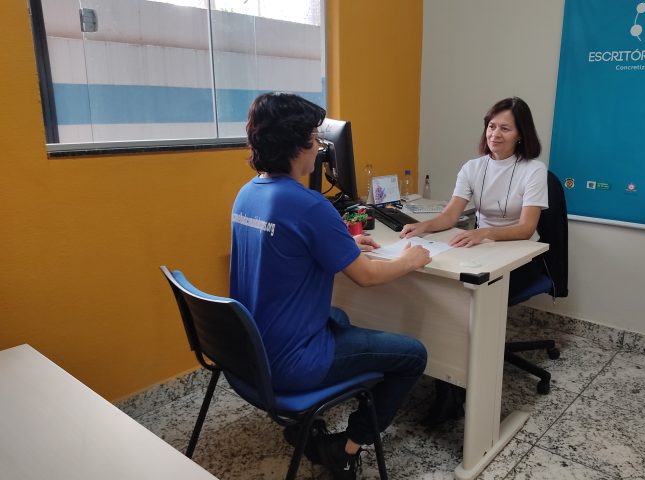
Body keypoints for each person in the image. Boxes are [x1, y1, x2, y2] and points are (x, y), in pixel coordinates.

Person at [230, 92, 431, 479]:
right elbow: (367, 277)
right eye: (313, 138)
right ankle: (346, 448)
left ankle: (310, 419)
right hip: (290, 363)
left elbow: (287, 247)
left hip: (248, 351)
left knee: (337, 315)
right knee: (413, 355)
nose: (319, 147)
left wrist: (342, 244)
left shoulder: (247, 193)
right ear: (295, 145)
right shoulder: (309, 205)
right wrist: (410, 260)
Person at [400, 96, 548, 425]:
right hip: (482, 250)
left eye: (505, 128)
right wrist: (423, 226)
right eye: (491, 126)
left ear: (521, 134)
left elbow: (527, 228)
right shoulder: (473, 167)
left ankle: (454, 390)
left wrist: (485, 233)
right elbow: (451, 216)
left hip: (520, 257)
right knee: (446, 297)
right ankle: (449, 383)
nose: (495, 134)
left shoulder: (534, 171)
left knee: (461, 306)